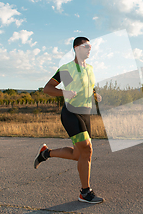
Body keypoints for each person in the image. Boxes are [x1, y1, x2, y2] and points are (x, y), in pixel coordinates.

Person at [34, 36, 103, 204]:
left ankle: (46, 153)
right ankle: (85, 192)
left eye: (90, 46)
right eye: (86, 46)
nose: (89, 49)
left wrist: (95, 94)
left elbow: (89, 86)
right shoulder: (67, 69)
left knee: (77, 154)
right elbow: (48, 88)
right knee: (87, 149)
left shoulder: (91, 69)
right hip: (71, 113)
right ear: (76, 48)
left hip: (86, 114)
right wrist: (64, 93)